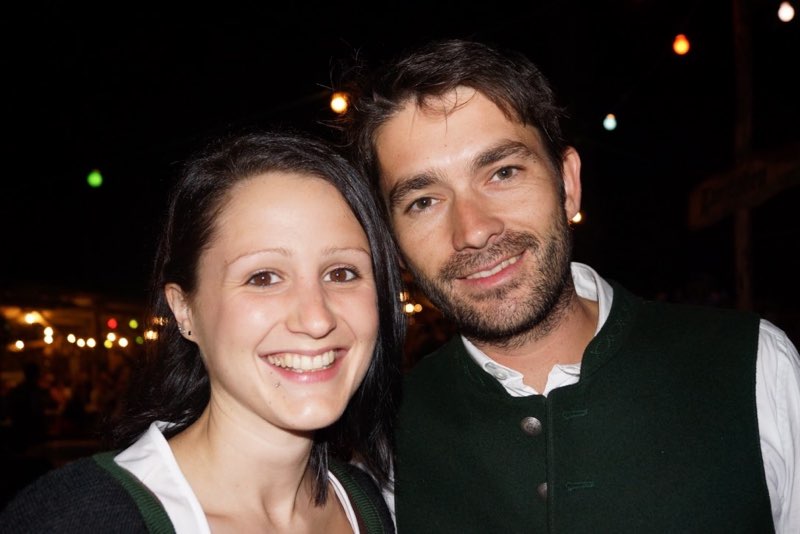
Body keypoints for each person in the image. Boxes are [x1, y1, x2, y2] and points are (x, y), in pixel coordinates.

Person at [336, 38, 800, 533]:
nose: (473, 230)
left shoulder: (754, 366)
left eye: (503, 172)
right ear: (392, 240)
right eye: (424, 201)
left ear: (568, 184)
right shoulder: (385, 448)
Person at [0, 130, 405, 533]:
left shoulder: (370, 504)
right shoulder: (76, 521)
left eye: (341, 273)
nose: (317, 319)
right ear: (184, 309)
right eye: (263, 277)